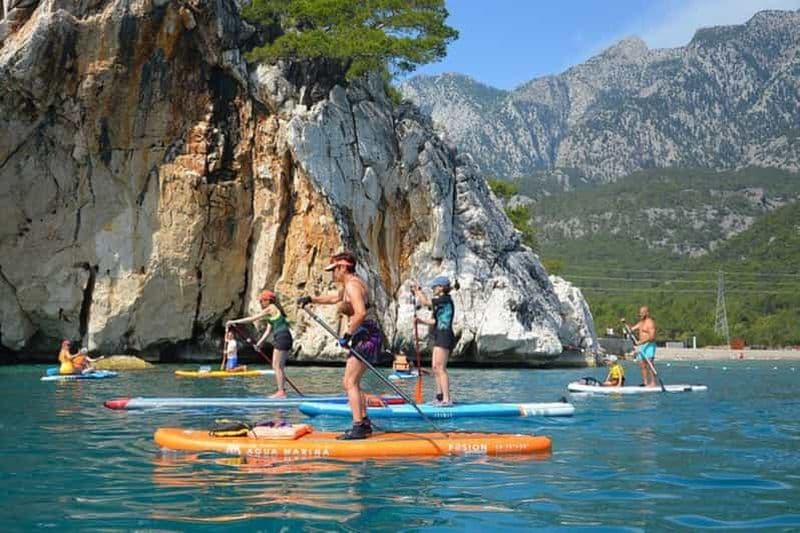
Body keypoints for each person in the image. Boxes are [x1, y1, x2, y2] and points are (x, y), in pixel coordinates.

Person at [297, 251, 383, 440]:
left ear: (343, 267)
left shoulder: (353, 285)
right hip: (364, 334)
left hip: (366, 335)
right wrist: (310, 299)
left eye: (334, 270)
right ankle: (364, 423)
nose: (332, 274)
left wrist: (347, 334)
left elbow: (360, 313)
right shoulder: (349, 284)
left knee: (349, 382)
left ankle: (359, 426)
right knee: (353, 382)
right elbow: (335, 298)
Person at [227, 290, 293, 397]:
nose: (260, 303)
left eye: (262, 301)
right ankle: (282, 391)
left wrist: (234, 322)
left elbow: (252, 318)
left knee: (276, 366)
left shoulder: (271, 307)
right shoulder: (272, 314)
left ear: (268, 300)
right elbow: (267, 331)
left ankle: (281, 392)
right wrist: (259, 343)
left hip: (282, 337)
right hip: (284, 337)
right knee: (279, 366)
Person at [412, 275, 456, 406]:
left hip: (445, 335)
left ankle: (447, 400)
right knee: (435, 367)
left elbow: (425, 302)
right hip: (439, 335)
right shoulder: (440, 303)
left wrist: (418, 291)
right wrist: (420, 321)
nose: (433, 289)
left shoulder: (445, 299)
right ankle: (439, 396)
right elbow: (434, 321)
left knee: (441, 368)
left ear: (441, 287)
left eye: (434, 287)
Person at [626, 306, 657, 387]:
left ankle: (653, 382)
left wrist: (641, 342)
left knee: (650, 364)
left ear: (647, 313)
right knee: (642, 365)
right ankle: (645, 382)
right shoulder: (640, 323)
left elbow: (652, 336)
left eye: (643, 312)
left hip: (649, 345)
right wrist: (626, 324)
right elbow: (631, 329)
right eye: (640, 312)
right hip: (641, 346)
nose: (641, 314)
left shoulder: (650, 323)